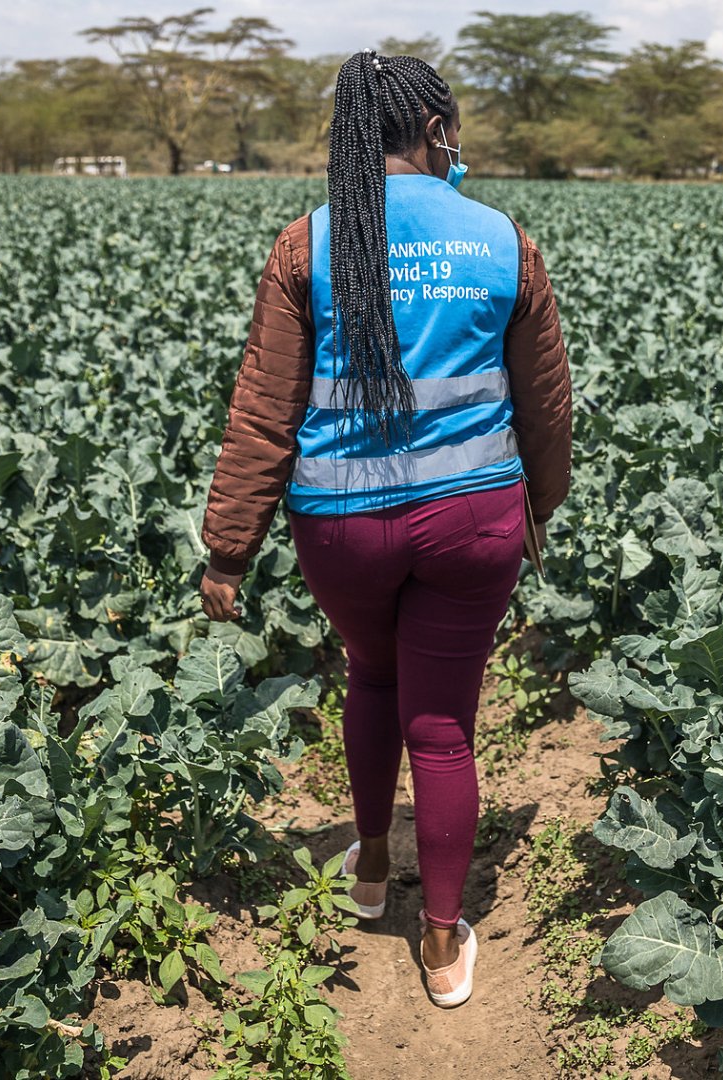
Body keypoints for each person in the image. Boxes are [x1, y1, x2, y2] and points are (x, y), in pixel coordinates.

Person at [199, 50, 571, 1008]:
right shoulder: (500, 239)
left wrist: (228, 548)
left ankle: (369, 873)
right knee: (442, 729)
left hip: (341, 527)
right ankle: (443, 948)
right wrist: (541, 503)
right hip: (470, 520)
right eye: (455, 127)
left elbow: (263, 410)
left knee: (371, 675)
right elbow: (547, 406)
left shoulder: (306, 242)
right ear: (434, 129)